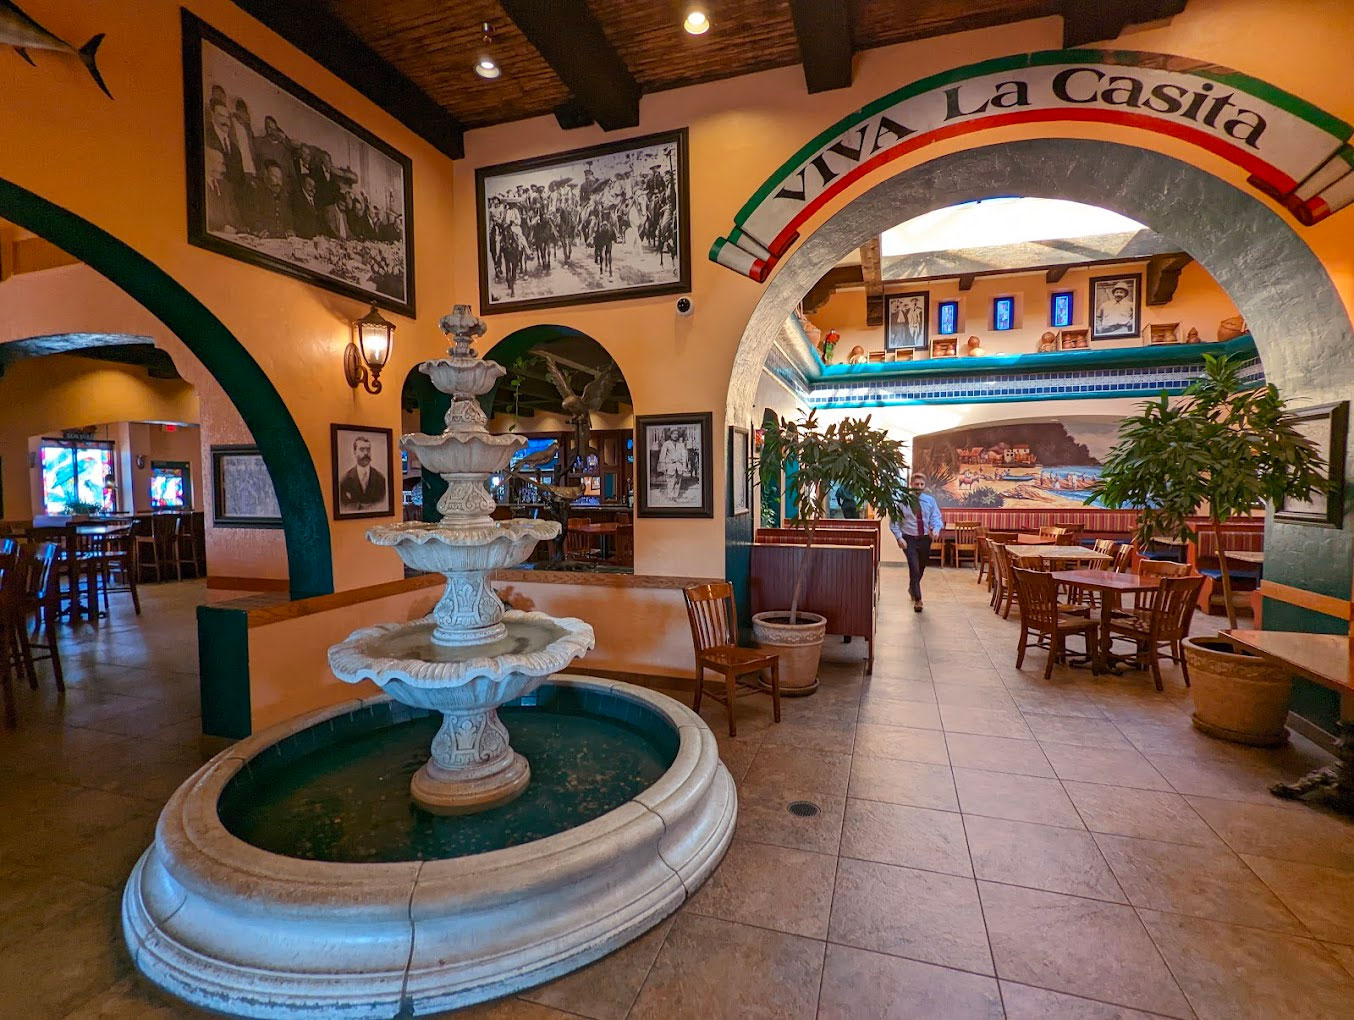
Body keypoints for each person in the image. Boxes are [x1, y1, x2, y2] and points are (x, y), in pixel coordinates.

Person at [889, 472, 944, 612]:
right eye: (916, 484)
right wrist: (898, 537)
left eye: (922, 484)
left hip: (925, 538)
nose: (919, 487)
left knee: (922, 566)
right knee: (914, 566)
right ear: (911, 485)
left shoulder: (930, 501)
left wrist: (936, 529)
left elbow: (936, 517)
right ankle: (918, 599)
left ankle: (912, 587)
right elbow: (895, 521)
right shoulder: (902, 501)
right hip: (909, 538)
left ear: (924, 486)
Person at [339, 435, 386, 511]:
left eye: (368, 449)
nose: (366, 453)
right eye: (362, 449)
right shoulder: (345, 480)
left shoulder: (380, 479)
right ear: (354, 452)